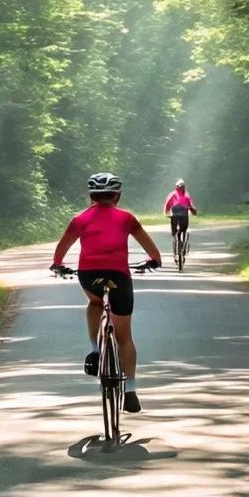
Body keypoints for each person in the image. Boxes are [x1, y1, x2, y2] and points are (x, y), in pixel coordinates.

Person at [50, 172, 162, 413]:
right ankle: (130, 391)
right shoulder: (127, 218)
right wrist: (154, 260)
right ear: (117, 196)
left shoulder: (80, 219)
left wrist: (58, 264)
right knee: (125, 337)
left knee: (95, 302)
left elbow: (61, 249)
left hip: (90, 276)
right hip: (119, 277)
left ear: (91, 196)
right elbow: (151, 249)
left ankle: (95, 349)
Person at [164, 178, 197, 253]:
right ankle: (177, 237)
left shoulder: (185, 195)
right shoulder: (175, 194)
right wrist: (167, 212)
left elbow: (190, 205)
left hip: (181, 212)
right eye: (180, 186)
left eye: (182, 186)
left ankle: (178, 236)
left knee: (182, 227)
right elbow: (168, 204)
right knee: (178, 227)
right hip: (178, 212)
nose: (181, 188)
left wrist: (193, 210)